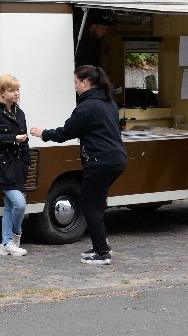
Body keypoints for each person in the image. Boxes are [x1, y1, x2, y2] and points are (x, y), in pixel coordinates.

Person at [30, 65, 128, 265]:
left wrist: (43, 133)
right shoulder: (108, 102)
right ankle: (101, 245)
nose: (74, 86)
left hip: (99, 162)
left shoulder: (86, 108)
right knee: (96, 203)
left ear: (85, 82)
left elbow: (66, 132)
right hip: (116, 159)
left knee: (89, 205)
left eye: (76, 82)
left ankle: (102, 253)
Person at [0, 75, 31, 257]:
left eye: (18, 89)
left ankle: (6, 244)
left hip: (18, 166)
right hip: (1, 167)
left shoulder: (20, 113)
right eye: (12, 90)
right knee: (19, 203)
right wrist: (11, 138)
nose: (17, 93)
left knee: (11, 206)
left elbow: (25, 140)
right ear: (2, 93)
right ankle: (14, 238)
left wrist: (26, 162)